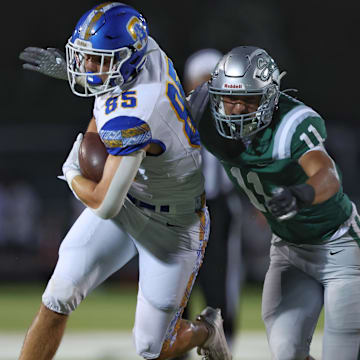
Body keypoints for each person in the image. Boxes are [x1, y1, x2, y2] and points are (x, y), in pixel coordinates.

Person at [18, 3, 232, 360]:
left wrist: (71, 172)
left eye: (97, 60)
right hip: (136, 195)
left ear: (125, 60)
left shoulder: (138, 111)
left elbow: (104, 204)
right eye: (86, 57)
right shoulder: (145, 51)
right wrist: (90, 74)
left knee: (152, 346)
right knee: (57, 295)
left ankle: (206, 330)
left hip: (172, 224)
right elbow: (106, 99)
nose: (87, 66)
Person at [188, 45, 360, 360]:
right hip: (289, 251)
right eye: (229, 98)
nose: (237, 109)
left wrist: (301, 193)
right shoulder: (205, 116)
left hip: (338, 248)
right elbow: (154, 114)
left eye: (248, 99)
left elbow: (327, 174)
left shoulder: (291, 123)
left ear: (270, 97)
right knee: (286, 351)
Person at [182, 49, 242, 350]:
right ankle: (176, 345)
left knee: (220, 279)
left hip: (218, 206)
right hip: (181, 209)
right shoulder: (175, 111)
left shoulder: (236, 114)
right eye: (201, 81)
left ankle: (224, 343)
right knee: (177, 281)